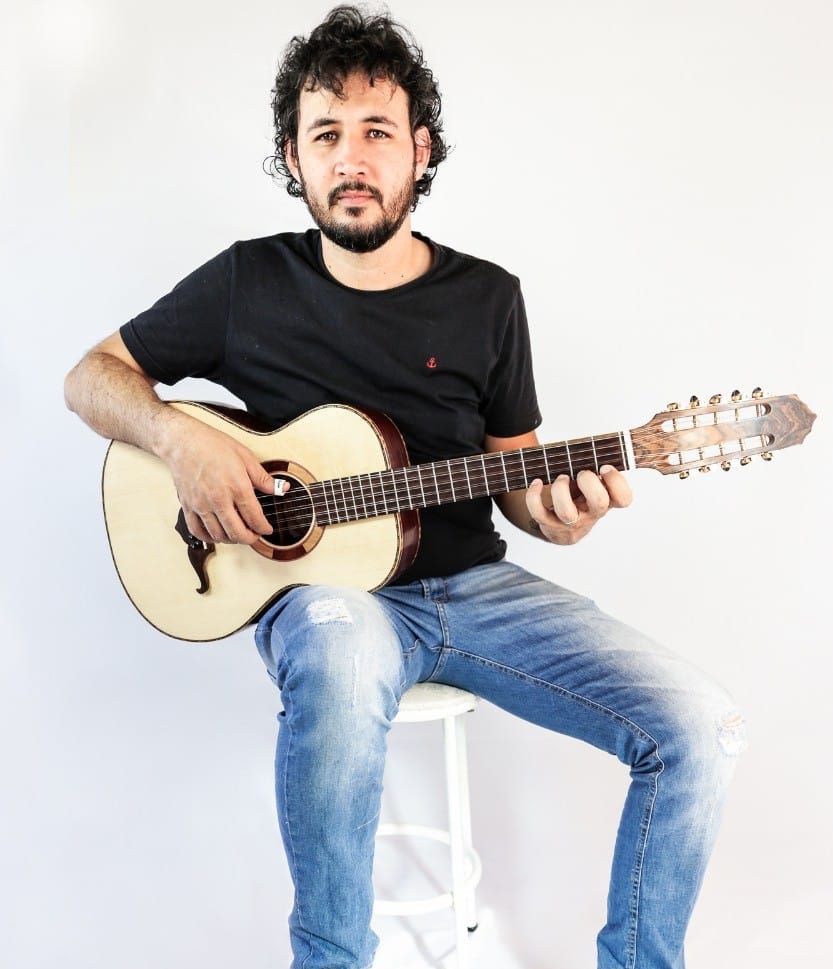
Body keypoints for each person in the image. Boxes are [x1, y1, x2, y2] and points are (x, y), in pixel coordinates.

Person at [64, 7, 746, 968]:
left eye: (376, 131)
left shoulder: (488, 297)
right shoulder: (245, 282)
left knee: (700, 726)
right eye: (325, 135)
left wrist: (559, 516)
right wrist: (181, 442)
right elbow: (90, 377)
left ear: (419, 151)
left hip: (474, 590)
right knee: (339, 649)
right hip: (326, 598)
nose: (351, 158)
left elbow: (519, 478)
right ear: (293, 159)